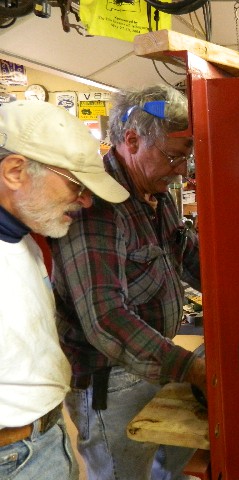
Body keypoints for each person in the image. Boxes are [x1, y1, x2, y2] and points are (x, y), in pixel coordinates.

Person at [49, 84, 239, 480]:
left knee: (171, 464)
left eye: (187, 159)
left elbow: (187, 254)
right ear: (131, 140)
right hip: (111, 381)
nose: (182, 170)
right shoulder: (95, 208)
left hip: (158, 361)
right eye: (174, 157)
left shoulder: (154, 192)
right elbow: (106, 318)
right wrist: (191, 368)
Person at [0, 100, 129, 479]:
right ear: (15, 171)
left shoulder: (24, 239)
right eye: (76, 185)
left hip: (40, 439)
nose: (86, 202)